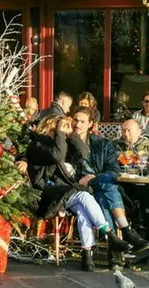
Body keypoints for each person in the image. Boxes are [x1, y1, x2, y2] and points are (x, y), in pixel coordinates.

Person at [25, 114, 130, 271]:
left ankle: (87, 254)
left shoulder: (61, 143)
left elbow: (83, 153)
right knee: (83, 195)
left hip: (64, 193)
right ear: (50, 127)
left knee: (82, 210)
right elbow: (56, 155)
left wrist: (72, 134)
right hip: (45, 194)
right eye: (58, 128)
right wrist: (60, 133)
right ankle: (109, 234)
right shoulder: (37, 145)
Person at [71, 106, 149, 252]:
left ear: (90, 124)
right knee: (108, 187)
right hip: (80, 188)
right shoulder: (67, 144)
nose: (78, 124)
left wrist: (95, 177)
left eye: (82, 121)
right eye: (75, 120)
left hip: (100, 185)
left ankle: (115, 249)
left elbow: (114, 170)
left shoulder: (103, 144)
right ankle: (126, 230)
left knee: (104, 191)